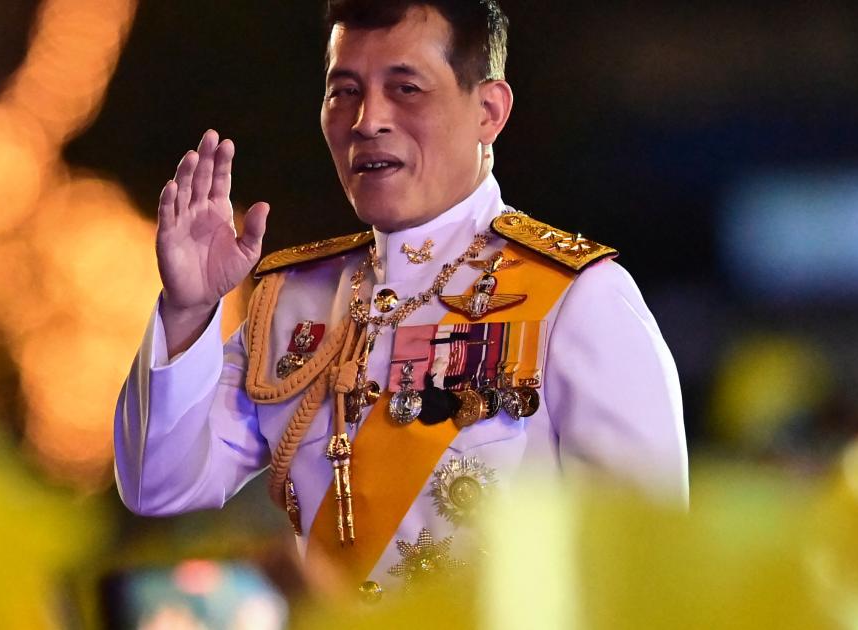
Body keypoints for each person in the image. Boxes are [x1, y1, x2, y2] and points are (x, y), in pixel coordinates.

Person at [114, 0, 687, 597]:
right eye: (344, 92)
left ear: (489, 111)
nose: (367, 121)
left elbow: (648, 572)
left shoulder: (575, 299)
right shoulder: (294, 304)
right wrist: (188, 310)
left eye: (406, 89)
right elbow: (159, 486)